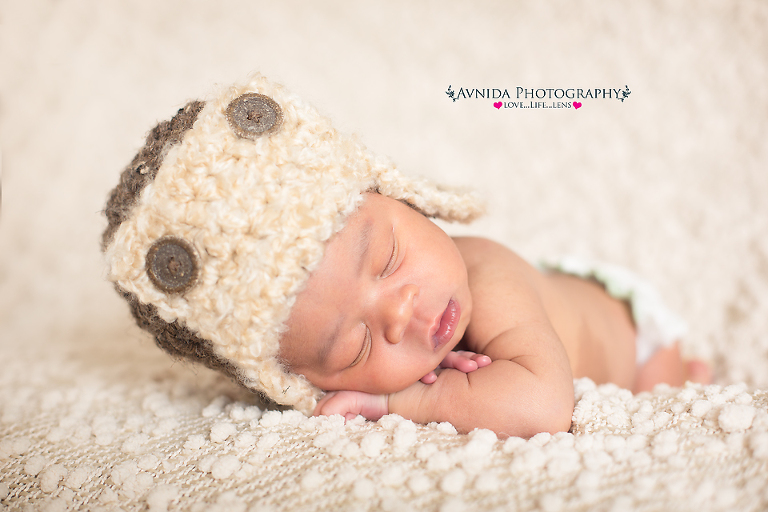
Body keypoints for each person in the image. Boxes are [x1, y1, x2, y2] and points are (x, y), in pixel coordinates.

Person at [102, 74, 710, 439]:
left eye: (389, 257)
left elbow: (545, 406)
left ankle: (691, 367)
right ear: (300, 385)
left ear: (402, 200)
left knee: (666, 399)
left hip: (629, 333)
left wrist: (400, 400)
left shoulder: (487, 275)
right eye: (354, 348)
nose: (399, 314)